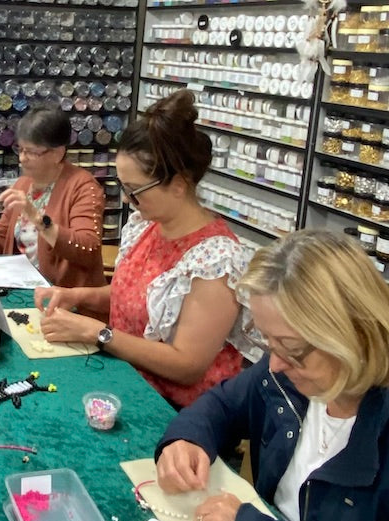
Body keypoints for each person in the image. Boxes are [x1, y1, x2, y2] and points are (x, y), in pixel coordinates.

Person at [155, 230, 389, 521]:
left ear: (353, 335)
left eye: (291, 349)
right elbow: (223, 406)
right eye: (268, 343)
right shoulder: (292, 374)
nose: (275, 364)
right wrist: (187, 439)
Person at [34, 89, 258, 408]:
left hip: (181, 415)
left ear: (179, 185)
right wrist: (75, 295)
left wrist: (100, 333)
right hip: (127, 386)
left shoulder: (215, 259)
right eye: (123, 187)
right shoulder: (148, 225)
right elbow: (136, 294)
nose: (127, 200)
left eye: (135, 190)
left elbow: (187, 366)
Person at [0, 105, 106, 288]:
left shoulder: (83, 187)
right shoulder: (23, 184)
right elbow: (0, 246)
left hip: (67, 299)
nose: (22, 158)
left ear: (57, 153)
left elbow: (88, 249)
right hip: (26, 290)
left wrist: (36, 217)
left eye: (31, 152)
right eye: (20, 149)